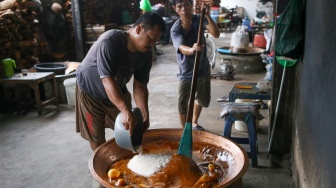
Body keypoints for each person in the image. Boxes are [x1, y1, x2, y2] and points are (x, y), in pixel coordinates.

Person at [75, 12, 166, 151]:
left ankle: (130, 161)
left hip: (116, 88)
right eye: (151, 39)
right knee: (96, 136)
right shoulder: (111, 40)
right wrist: (124, 109)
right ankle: (104, 165)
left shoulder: (145, 54)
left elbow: (140, 85)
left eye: (156, 42)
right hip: (90, 91)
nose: (152, 45)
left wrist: (144, 113)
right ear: (139, 29)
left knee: (132, 128)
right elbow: (107, 79)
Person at [170, 0, 220, 130]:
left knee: (201, 98)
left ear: (191, 6)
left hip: (202, 68)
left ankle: (194, 121)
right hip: (185, 71)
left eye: (186, 5)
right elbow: (181, 48)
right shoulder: (175, 29)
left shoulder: (199, 19)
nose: (184, 9)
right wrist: (192, 50)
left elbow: (216, 34)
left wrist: (208, 15)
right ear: (175, 9)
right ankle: (184, 130)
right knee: (182, 102)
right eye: (180, 6)